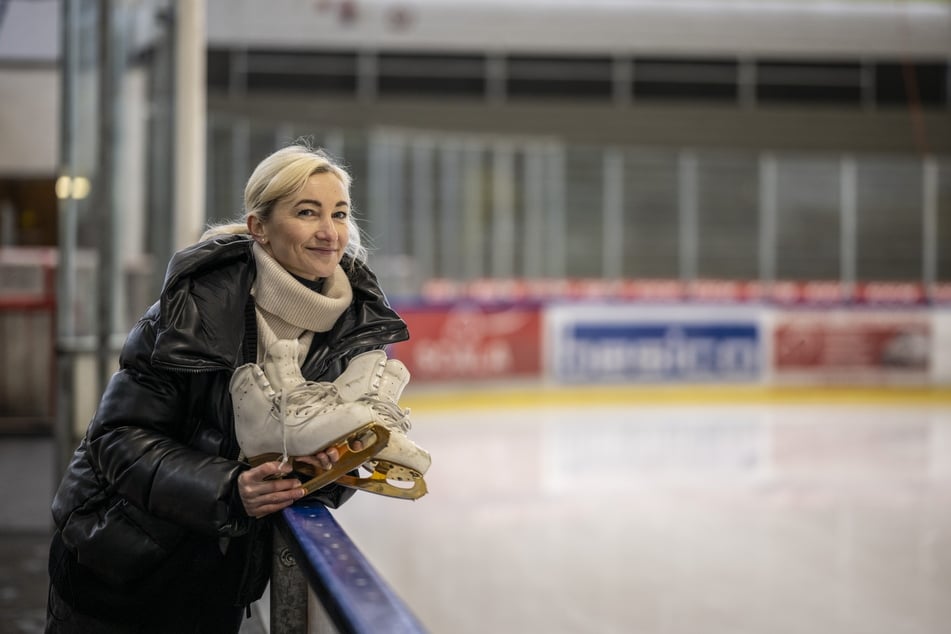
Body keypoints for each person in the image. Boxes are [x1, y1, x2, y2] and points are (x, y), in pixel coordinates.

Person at [45, 144, 410, 633]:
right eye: (307, 213)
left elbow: (306, 468)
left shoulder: (350, 332)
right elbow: (118, 438)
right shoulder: (193, 310)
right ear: (259, 226)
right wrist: (228, 487)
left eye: (339, 213)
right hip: (116, 562)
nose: (329, 232)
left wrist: (327, 464)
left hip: (219, 577)